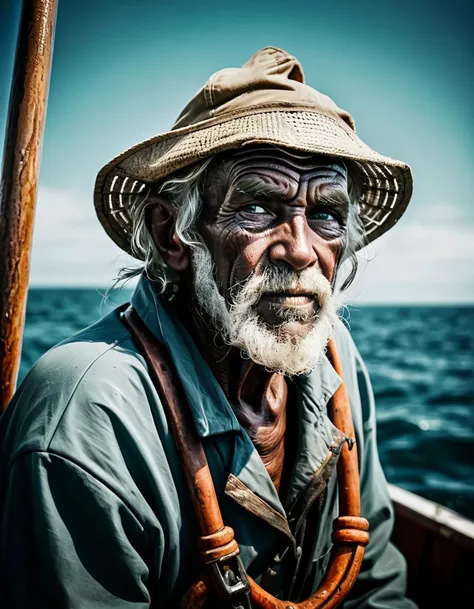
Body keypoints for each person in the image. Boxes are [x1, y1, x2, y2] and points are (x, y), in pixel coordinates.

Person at [0, 47, 416, 608]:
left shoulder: (335, 358)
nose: (300, 249)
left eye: (326, 215)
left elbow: (376, 589)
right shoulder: (87, 415)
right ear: (173, 234)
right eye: (259, 207)